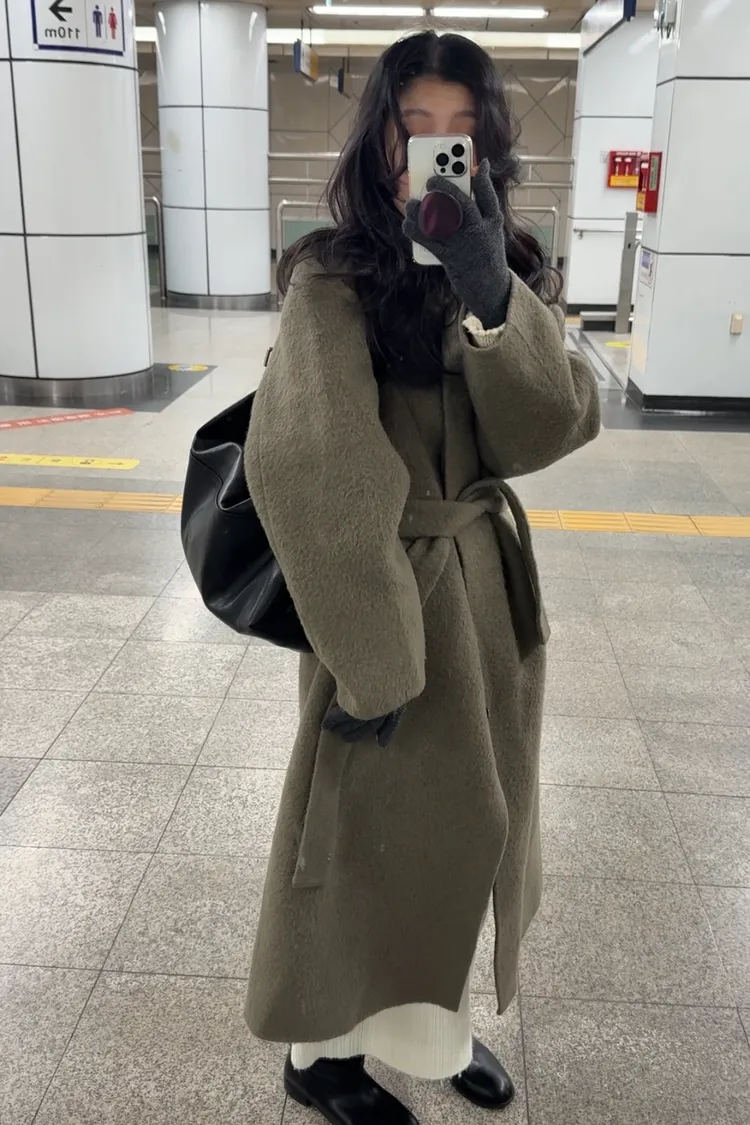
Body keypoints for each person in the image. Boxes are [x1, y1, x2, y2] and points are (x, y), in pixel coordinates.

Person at [243, 30, 600, 1125]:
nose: (440, 149)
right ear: (382, 145)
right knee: (360, 841)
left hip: (481, 599)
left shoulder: (506, 266)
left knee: (462, 833)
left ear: (488, 148)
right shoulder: (333, 275)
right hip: (378, 600)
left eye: (463, 131)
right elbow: (313, 464)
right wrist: (376, 662)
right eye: (416, 129)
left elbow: (549, 429)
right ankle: (322, 1056)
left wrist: (492, 298)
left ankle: (433, 1036)